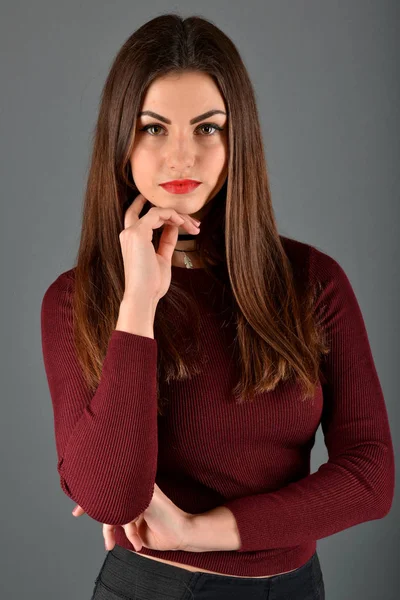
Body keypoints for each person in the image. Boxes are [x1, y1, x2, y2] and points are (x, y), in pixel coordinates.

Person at [40, 13, 395, 600]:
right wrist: (138, 303)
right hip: (158, 589)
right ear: (120, 140)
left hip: (298, 589)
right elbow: (110, 498)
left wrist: (203, 531)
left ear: (238, 140)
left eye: (207, 128)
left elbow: (371, 478)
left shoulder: (312, 282)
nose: (182, 156)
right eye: (154, 128)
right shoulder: (79, 299)